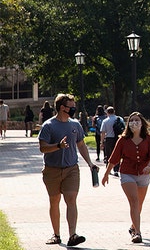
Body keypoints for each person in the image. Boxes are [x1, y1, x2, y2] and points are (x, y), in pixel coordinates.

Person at [38, 93, 97, 247]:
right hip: (52, 170)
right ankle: (56, 235)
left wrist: (90, 163)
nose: (74, 109)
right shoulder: (48, 126)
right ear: (62, 108)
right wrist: (58, 146)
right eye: (71, 106)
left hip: (71, 169)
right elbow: (42, 148)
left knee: (71, 199)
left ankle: (73, 235)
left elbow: (81, 145)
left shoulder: (75, 124)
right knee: (55, 201)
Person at [102, 112, 150, 244]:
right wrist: (106, 174)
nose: (134, 123)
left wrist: (149, 166)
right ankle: (137, 233)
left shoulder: (148, 139)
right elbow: (114, 158)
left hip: (143, 174)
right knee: (134, 201)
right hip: (127, 173)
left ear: (142, 123)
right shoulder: (123, 139)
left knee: (139, 204)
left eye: (137, 120)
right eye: (131, 120)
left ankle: (133, 227)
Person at [101, 106, 122, 176]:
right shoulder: (119, 119)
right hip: (117, 138)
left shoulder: (105, 121)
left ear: (107, 112)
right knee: (117, 154)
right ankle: (116, 169)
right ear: (114, 112)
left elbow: (103, 132)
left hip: (109, 139)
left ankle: (108, 169)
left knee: (108, 154)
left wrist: (102, 142)